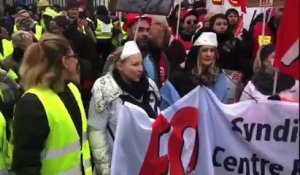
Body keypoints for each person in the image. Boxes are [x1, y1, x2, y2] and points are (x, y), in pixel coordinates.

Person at [12, 33, 92, 174]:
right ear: (64, 61)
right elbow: (26, 164)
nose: (77, 62)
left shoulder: (72, 90)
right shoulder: (32, 104)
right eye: (74, 57)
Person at [88, 41, 160, 175]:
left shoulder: (150, 86)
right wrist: (105, 168)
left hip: (147, 162)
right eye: (134, 64)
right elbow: (96, 130)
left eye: (141, 63)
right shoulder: (104, 89)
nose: (140, 69)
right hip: (118, 165)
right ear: (120, 65)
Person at [167, 32, 229, 106]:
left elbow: (222, 107)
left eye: (212, 51)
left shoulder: (220, 77)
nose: (208, 54)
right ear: (197, 53)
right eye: (204, 50)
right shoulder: (179, 75)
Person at [148, 15, 186, 86]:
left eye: (150, 24)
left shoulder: (175, 47)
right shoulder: (148, 47)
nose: (147, 27)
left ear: (160, 26)